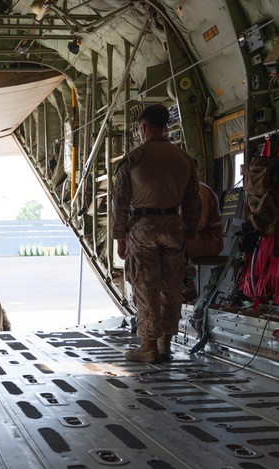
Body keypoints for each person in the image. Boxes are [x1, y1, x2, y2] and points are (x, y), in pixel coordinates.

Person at [113, 103, 202, 363]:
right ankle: (165, 344)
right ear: (166, 126)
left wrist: (121, 237)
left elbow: (120, 202)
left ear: (143, 127)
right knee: (172, 288)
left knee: (146, 286)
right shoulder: (184, 159)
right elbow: (194, 201)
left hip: (143, 229)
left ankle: (149, 346)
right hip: (174, 228)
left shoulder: (133, 158)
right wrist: (191, 232)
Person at [183, 182, 226, 301]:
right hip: (196, 237)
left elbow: (200, 223)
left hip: (211, 240)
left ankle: (187, 294)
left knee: (175, 244)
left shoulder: (200, 191)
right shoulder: (185, 190)